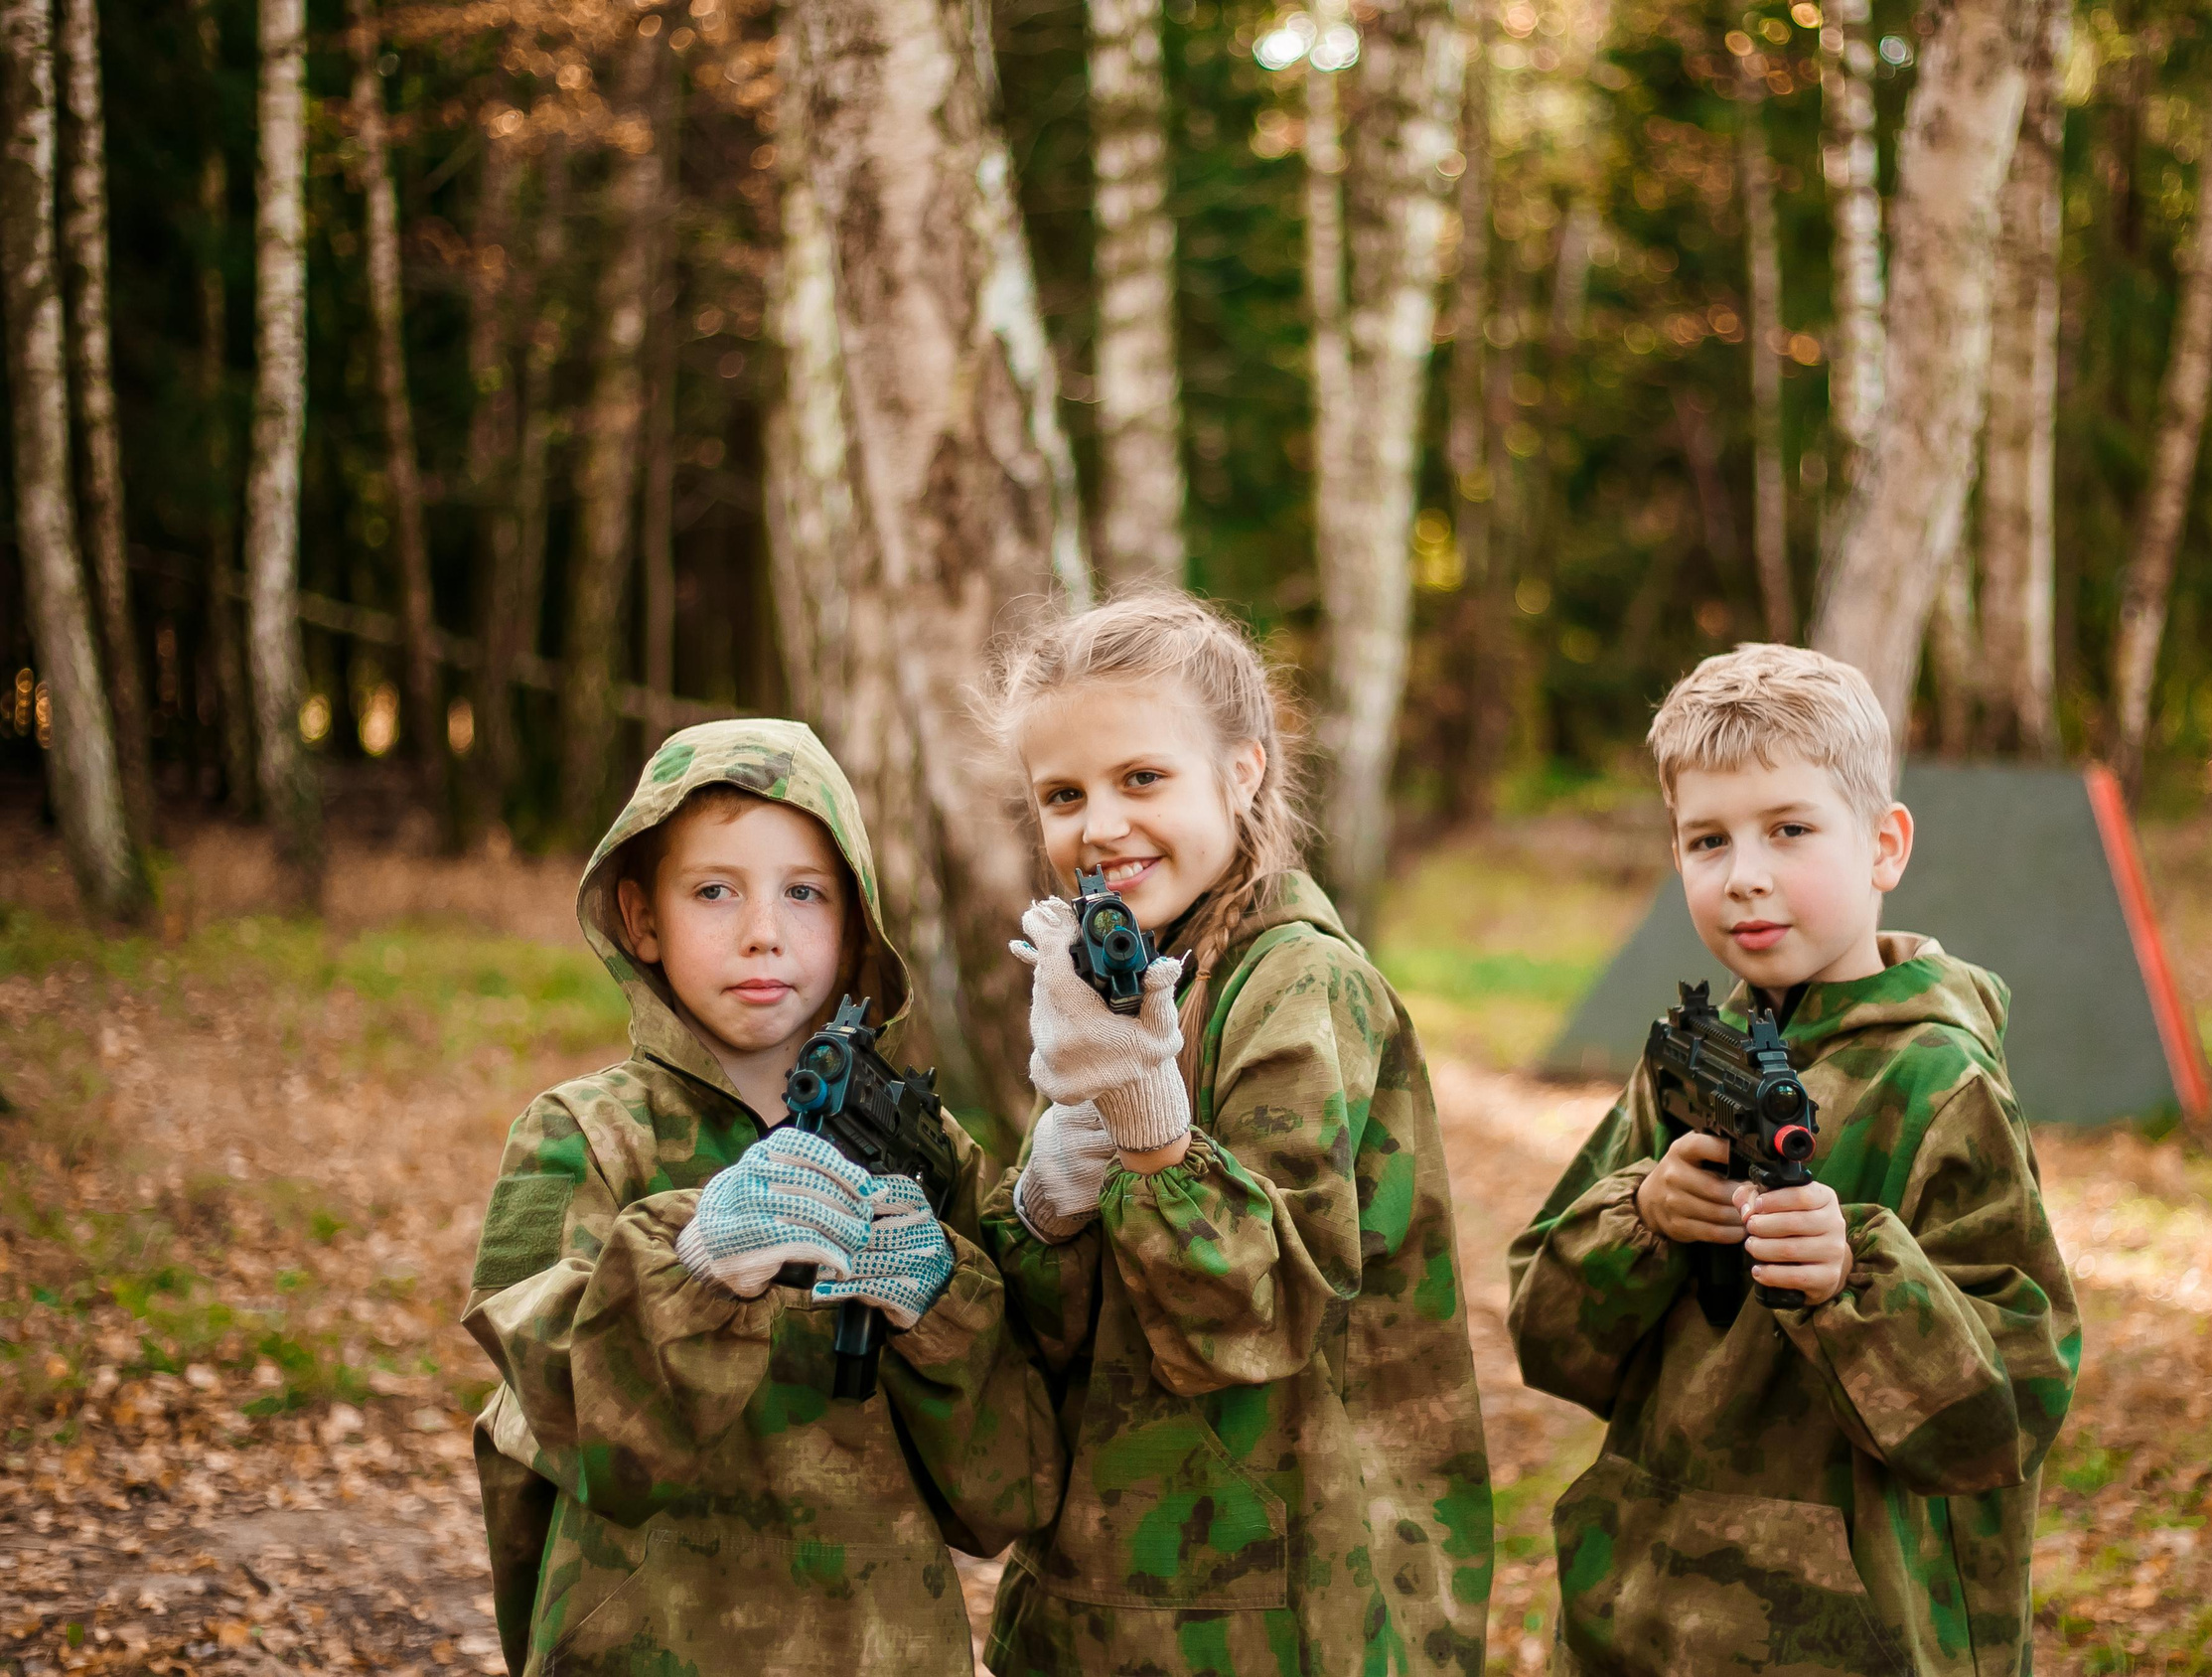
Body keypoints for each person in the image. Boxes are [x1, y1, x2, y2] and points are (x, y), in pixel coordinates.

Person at [1506, 644, 2080, 1677]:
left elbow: (2007, 1411)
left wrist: (1854, 1275)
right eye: (1707, 839)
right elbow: (1548, 1339)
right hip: (1644, 1618)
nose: (1746, 874)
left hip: (1854, 1637)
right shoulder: (1689, 1057)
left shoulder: (1938, 1081)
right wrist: (1643, 1215)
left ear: (1883, 845)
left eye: (1790, 829)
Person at [463, 719, 1059, 1676]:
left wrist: (942, 1311)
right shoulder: (575, 1138)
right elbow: (559, 1420)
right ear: (640, 916)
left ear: (856, 923)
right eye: (713, 891)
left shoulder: (930, 1154)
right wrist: (691, 1266)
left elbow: (1008, 1491)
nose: (763, 932)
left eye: (804, 893)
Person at [975, 593, 1491, 1677]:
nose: (1099, 824)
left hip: (1285, 1611)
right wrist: (1045, 1205)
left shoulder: (1302, 986)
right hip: (1095, 1602)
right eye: (1061, 793)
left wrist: (1150, 1129)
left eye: (1142, 777)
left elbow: (1252, 1321)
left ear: (1244, 769)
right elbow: (1047, 1343)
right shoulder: (1106, 983)